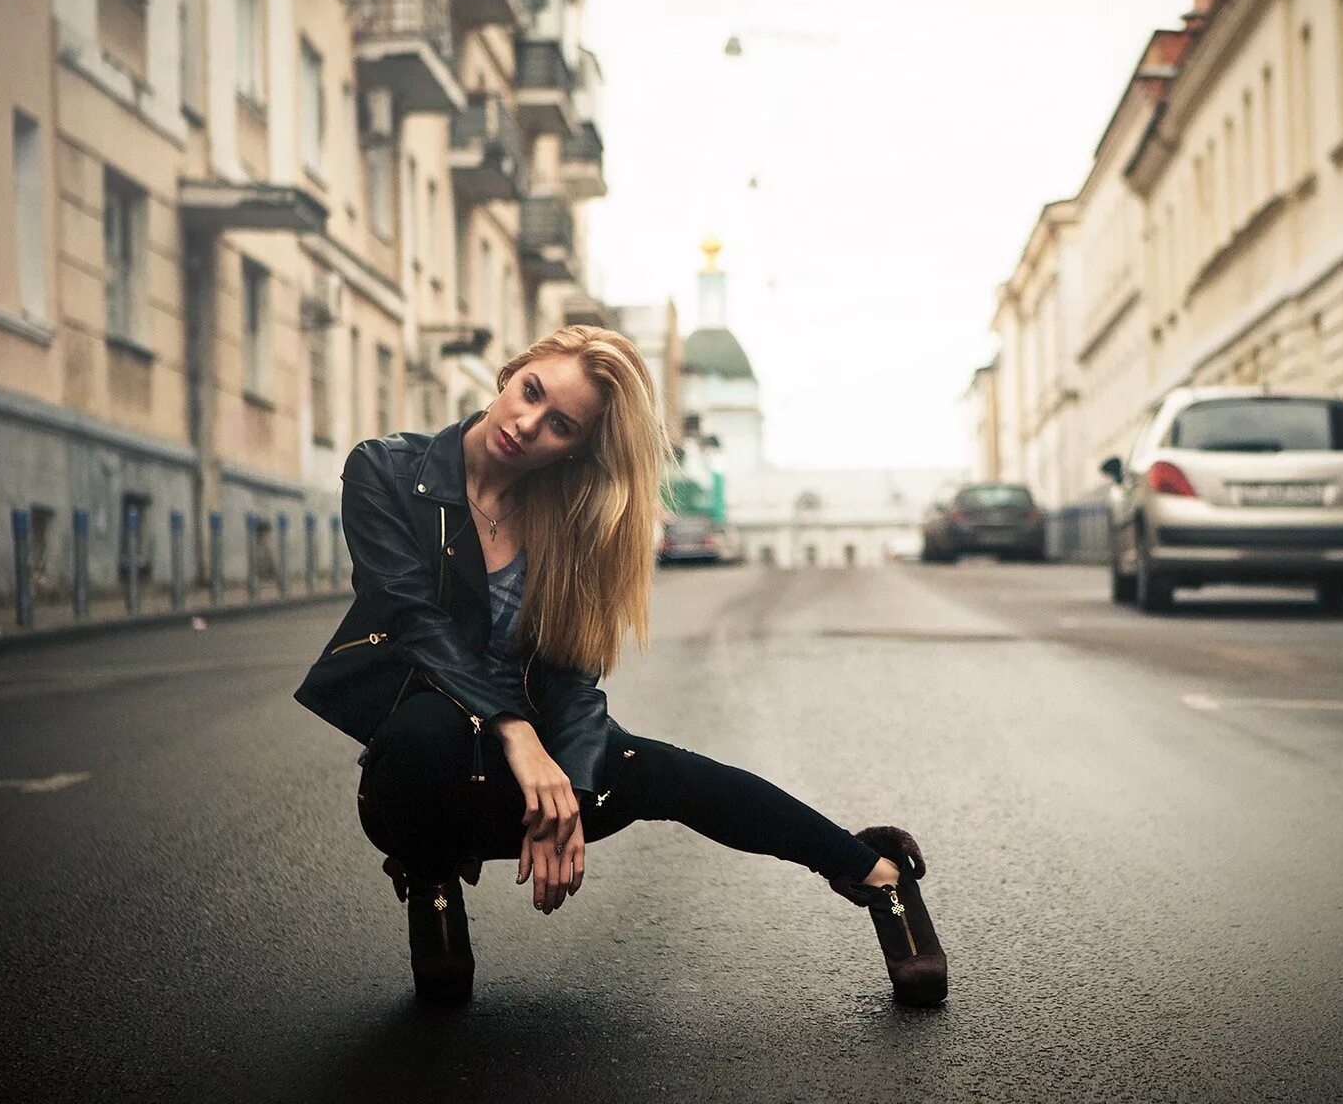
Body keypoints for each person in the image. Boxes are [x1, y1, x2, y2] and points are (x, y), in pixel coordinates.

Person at [293, 325, 946, 1006]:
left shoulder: (569, 518)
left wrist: (570, 792)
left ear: (577, 448)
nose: (526, 424)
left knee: (661, 770)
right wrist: (517, 735)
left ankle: (876, 874)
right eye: (530, 391)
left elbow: (573, 680)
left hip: (529, 774)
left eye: (559, 426)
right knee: (429, 725)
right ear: (512, 369)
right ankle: (429, 883)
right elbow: (411, 618)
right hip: (416, 775)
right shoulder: (384, 470)